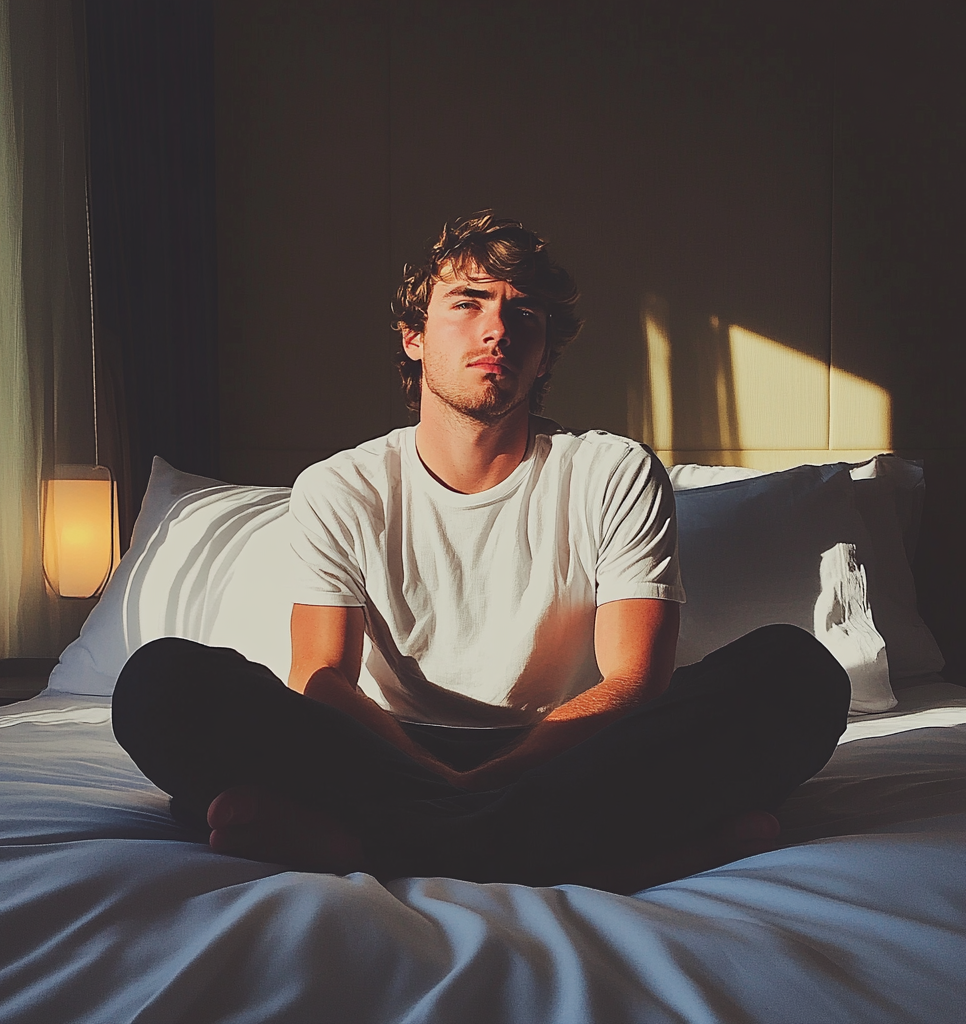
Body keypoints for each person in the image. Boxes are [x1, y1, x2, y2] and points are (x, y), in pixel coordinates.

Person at [112, 212, 850, 894]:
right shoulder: (341, 486)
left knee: (796, 673)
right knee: (160, 682)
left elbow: (635, 679)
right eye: (467, 302)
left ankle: (370, 848)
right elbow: (322, 677)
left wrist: (491, 779)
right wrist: (436, 774)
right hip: (384, 753)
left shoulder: (611, 470)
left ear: (543, 355)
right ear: (414, 336)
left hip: (571, 750)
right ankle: (634, 856)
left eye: (522, 312)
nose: (496, 327)